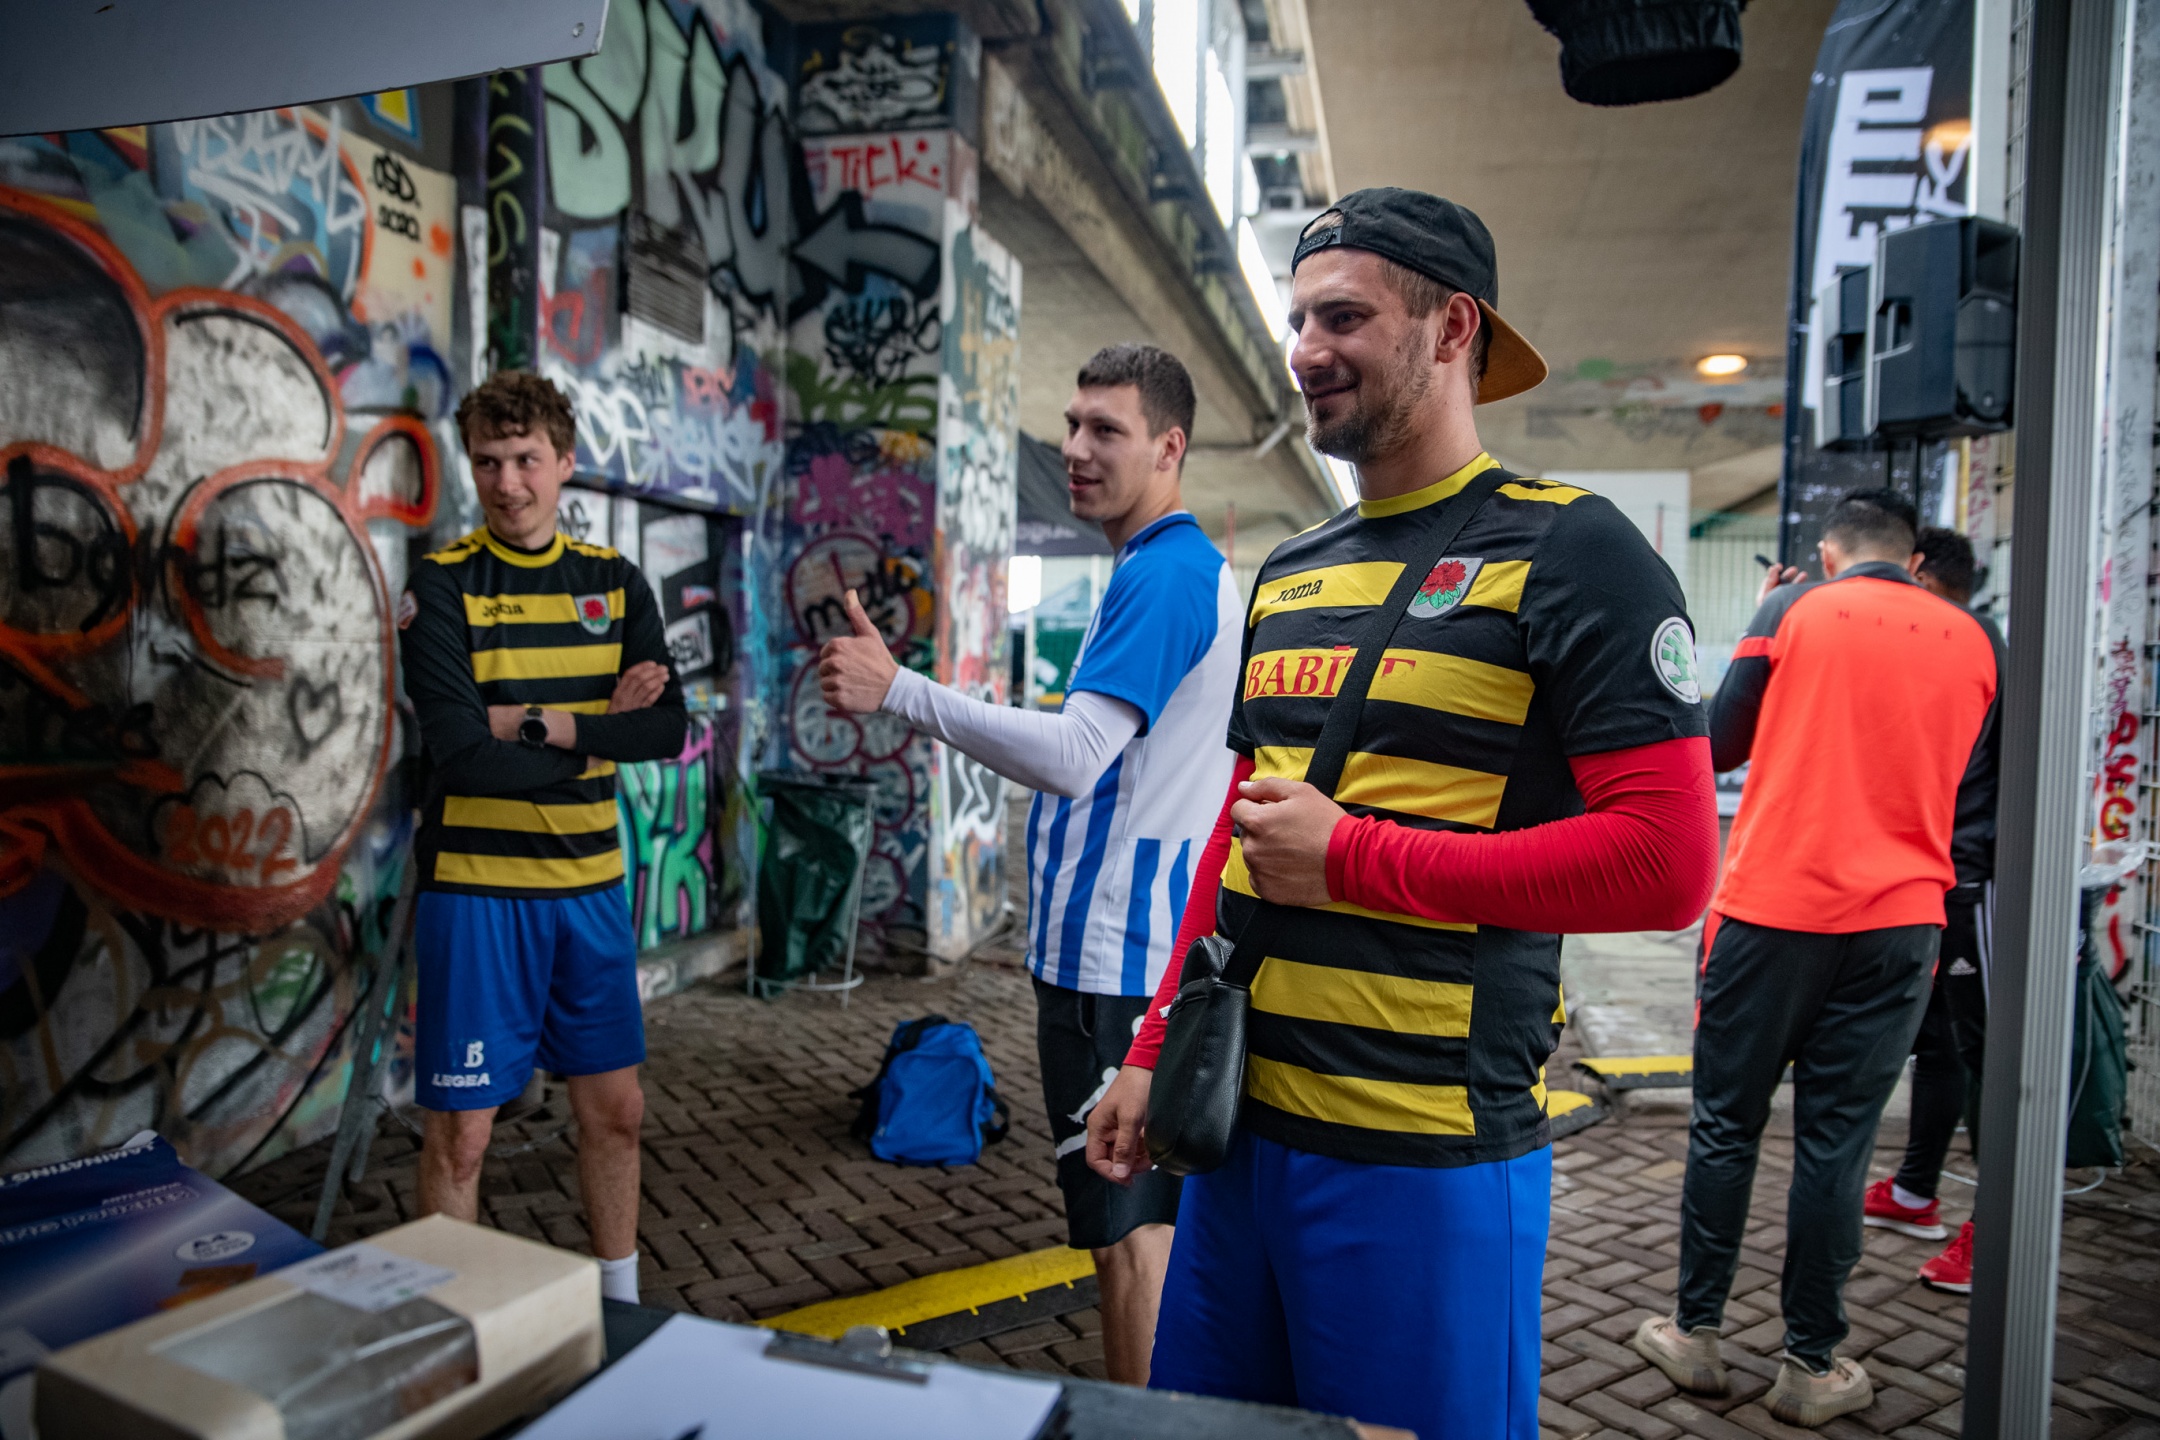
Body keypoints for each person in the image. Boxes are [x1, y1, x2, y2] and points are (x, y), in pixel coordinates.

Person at [1081, 189, 1719, 1440]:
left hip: (1423, 1152)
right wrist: (1152, 1045)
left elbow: (1667, 862)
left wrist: (1356, 858)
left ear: (1452, 327)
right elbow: (1239, 835)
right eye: (1299, 321)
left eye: (1344, 317)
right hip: (1237, 1132)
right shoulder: (1292, 570)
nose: (1307, 350)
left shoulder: (1575, 550)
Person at [818, 344, 1241, 1385]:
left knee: (1129, 1242)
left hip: (1117, 964)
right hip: (1132, 953)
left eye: (1107, 430)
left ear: (1169, 448)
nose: (1076, 450)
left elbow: (1074, 754)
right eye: (1072, 425)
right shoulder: (1174, 570)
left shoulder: (1164, 576)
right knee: (1146, 1233)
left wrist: (901, 690)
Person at [1635, 491, 1999, 1425]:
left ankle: (1695, 1332)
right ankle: (1811, 1362)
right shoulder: (1975, 638)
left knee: (1727, 1126)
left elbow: (1718, 744)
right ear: (1913, 562)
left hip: (1771, 914)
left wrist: (1772, 616)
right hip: (1902, 924)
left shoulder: (1793, 607)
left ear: (1830, 556)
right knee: (1837, 1145)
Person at [400, 371, 686, 1305]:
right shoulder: (441, 585)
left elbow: (665, 730)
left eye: (526, 460)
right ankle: (451, 1319)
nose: (508, 483)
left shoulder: (615, 582)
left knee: (617, 1113)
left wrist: (530, 722)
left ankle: (619, 1305)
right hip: (475, 894)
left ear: (565, 463)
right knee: (464, 1135)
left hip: (591, 892)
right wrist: (596, 733)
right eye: (488, 462)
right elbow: (461, 756)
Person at [1861, 526, 2001, 1295]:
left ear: (1918, 573)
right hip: (1940, 873)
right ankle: (1916, 1191)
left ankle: (1996, 1234)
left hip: (1978, 877)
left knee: (1986, 1053)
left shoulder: (1972, 640)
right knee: (1941, 1040)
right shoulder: (1951, 639)